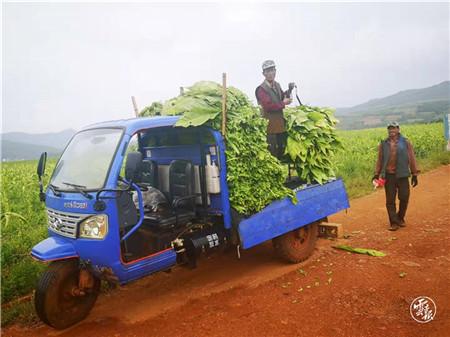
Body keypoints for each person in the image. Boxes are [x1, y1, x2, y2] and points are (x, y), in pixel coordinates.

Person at [373, 122, 420, 231]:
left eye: (393, 128)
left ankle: (400, 217)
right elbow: (380, 160)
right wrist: (376, 173)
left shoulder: (406, 142)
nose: (391, 131)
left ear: (398, 129)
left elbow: (411, 157)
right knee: (390, 200)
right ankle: (393, 222)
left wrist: (414, 173)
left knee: (404, 197)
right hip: (389, 176)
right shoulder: (383, 144)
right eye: (389, 129)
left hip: (402, 175)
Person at [255, 60, 294, 159]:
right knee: (272, 154)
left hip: (279, 126)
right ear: (263, 73)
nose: (271, 73)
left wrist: (289, 90)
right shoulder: (261, 89)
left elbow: (281, 98)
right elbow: (269, 106)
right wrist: (284, 103)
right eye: (267, 71)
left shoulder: (277, 85)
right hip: (269, 128)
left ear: (275, 71)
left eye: (272, 70)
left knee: (281, 152)